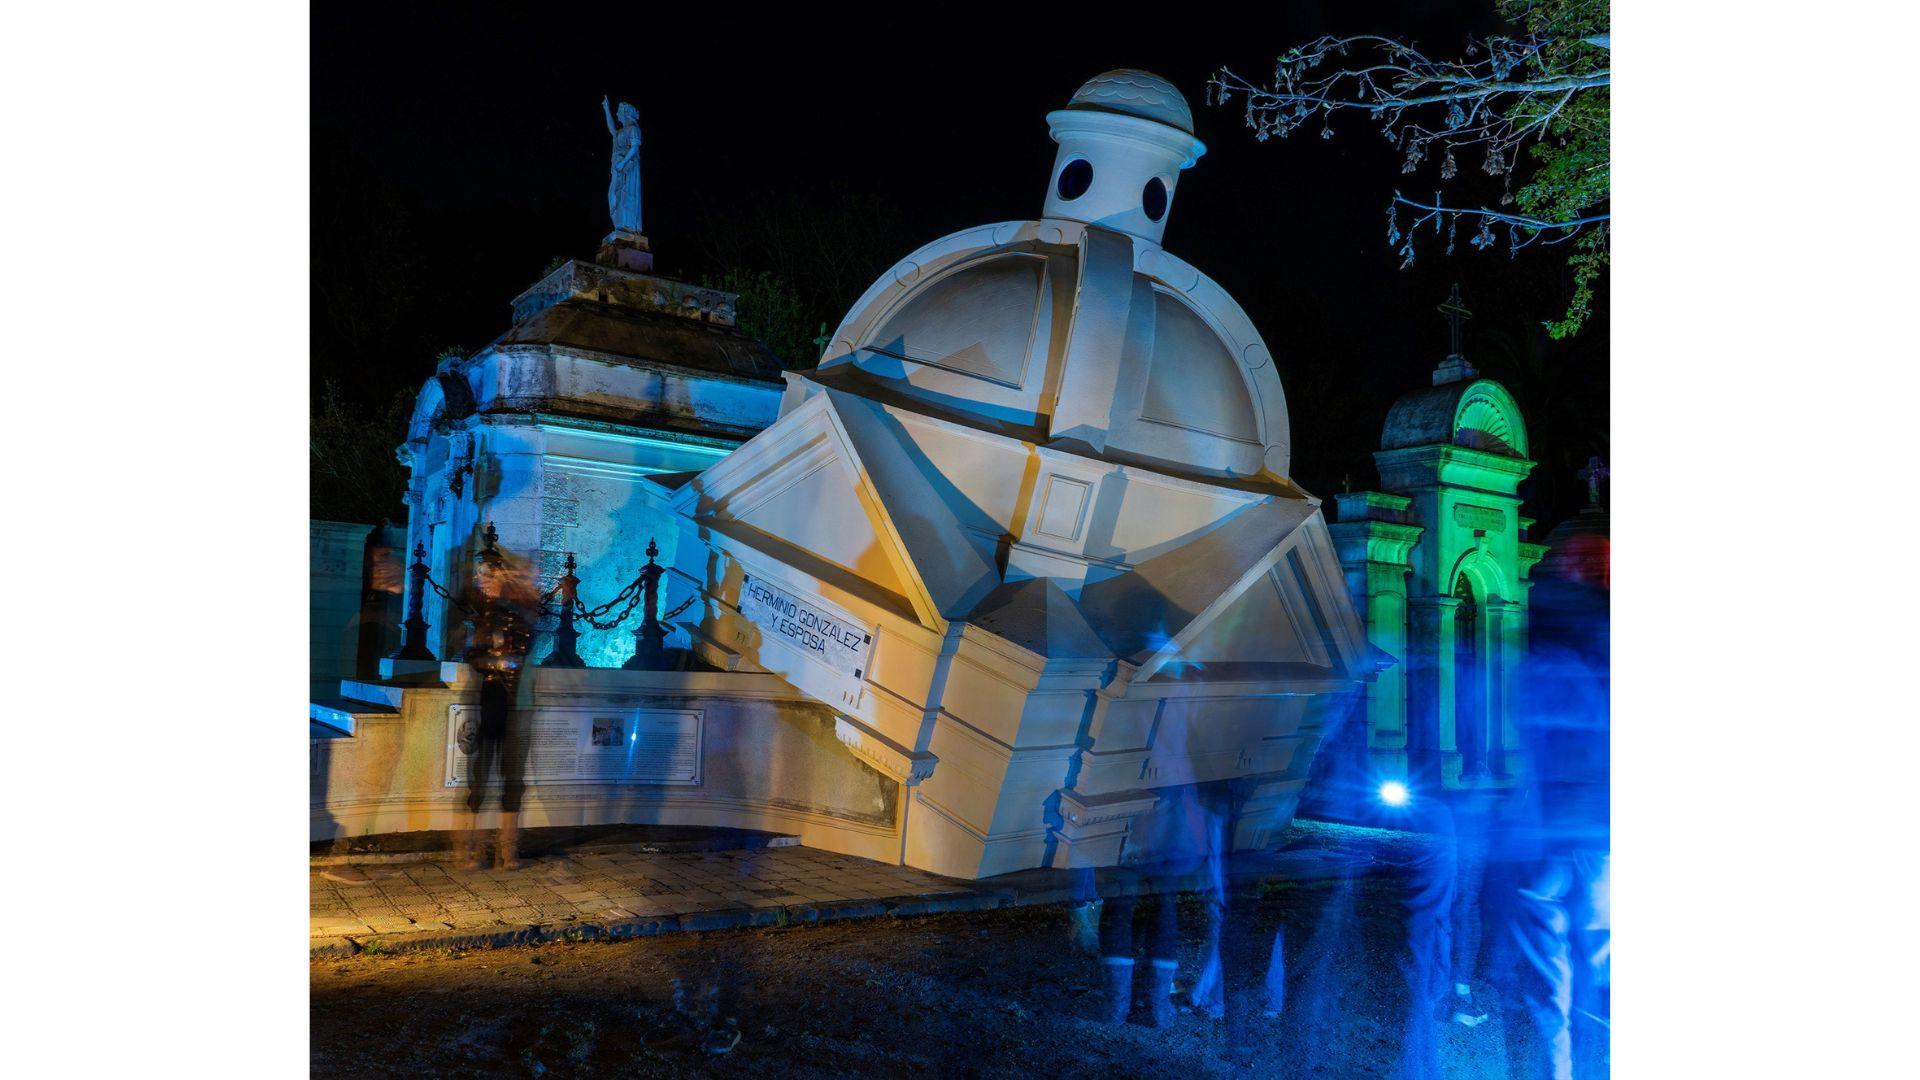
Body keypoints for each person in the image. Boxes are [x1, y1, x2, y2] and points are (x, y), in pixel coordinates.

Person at [457, 542, 538, 870]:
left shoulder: (513, 615)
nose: (484, 580)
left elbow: (517, 655)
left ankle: (507, 850)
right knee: (479, 776)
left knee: (512, 776)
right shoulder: (478, 618)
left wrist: (495, 660)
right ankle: (472, 849)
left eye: (489, 574)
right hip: (486, 702)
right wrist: (497, 660)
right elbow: (475, 656)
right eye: (480, 575)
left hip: (514, 703)